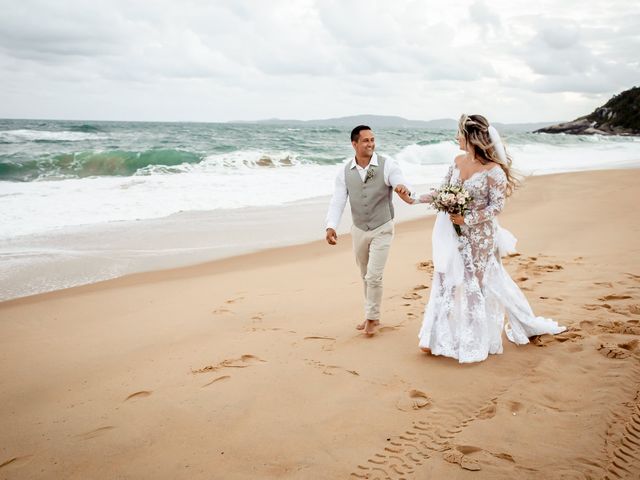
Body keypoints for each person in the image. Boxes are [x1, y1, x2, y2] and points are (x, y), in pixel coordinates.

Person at [396, 114, 565, 363]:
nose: (456, 138)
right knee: (445, 279)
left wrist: (469, 219)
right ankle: (435, 339)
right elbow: (442, 192)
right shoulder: (456, 161)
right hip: (451, 233)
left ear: (472, 137)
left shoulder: (493, 171)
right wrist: (412, 198)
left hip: (480, 237)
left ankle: (474, 341)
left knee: (475, 284)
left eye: (459, 134)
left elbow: (497, 207)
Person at [325, 125, 411, 335]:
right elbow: (338, 201)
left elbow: (398, 179)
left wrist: (400, 187)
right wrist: (330, 226)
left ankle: (372, 318)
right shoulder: (344, 172)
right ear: (354, 144)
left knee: (374, 276)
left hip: (382, 226)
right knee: (365, 275)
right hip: (359, 229)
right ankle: (370, 314)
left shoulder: (387, 164)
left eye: (373, 140)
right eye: (366, 140)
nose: (371, 144)